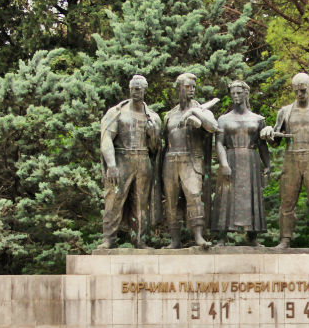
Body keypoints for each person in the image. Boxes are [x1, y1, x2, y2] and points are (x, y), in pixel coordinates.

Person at [261, 72, 309, 248]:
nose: (299, 94)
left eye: (302, 90)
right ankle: (285, 239)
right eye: (296, 91)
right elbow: (276, 141)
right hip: (292, 157)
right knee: (286, 201)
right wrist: (269, 133)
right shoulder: (285, 112)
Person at [99, 74, 162, 248]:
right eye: (133, 88)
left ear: (145, 90)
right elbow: (106, 139)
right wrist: (111, 165)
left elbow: (156, 149)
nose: (136, 92)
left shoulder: (153, 117)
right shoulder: (116, 112)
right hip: (121, 159)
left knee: (141, 203)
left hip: (143, 160)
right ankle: (108, 239)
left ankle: (139, 239)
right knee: (114, 199)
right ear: (129, 89)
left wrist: (153, 135)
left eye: (139, 89)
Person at [159, 72, 218, 248]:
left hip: (191, 160)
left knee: (194, 196)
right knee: (171, 199)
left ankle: (198, 236)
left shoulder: (202, 110)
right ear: (179, 88)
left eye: (193, 87)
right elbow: (164, 139)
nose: (191, 90)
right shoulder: (170, 114)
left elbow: (214, 127)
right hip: (171, 160)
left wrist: (195, 113)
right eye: (187, 86)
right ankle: (175, 239)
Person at [211, 80, 270, 245]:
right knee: (226, 197)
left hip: (251, 160)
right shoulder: (223, 119)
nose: (236, 96)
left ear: (246, 94)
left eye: (239, 93)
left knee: (252, 196)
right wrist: (223, 163)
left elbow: (262, 145)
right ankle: (222, 237)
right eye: (233, 93)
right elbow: (219, 143)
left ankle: (252, 236)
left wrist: (268, 165)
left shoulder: (258, 119)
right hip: (230, 158)